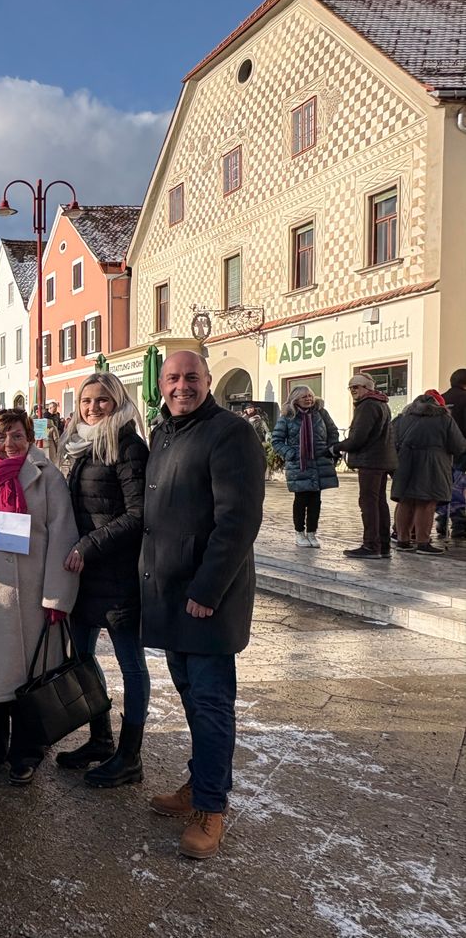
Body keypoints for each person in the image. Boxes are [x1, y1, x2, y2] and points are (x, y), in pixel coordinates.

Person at [142, 351, 264, 860]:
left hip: (206, 601)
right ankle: (201, 783)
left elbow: (237, 522)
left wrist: (206, 590)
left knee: (212, 704)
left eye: (191, 377)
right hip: (171, 596)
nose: (181, 386)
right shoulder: (163, 432)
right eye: (172, 378)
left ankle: (211, 808)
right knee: (193, 699)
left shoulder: (230, 432)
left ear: (208, 382)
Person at [0, 409, 79, 786]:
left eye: (16, 436)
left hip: (33, 597)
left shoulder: (49, 478)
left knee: (31, 682)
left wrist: (58, 598)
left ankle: (26, 753)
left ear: (29, 438)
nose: (8, 444)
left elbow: (63, 537)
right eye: (1, 437)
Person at [56, 373, 151, 788]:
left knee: (131, 665)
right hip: (85, 574)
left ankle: (130, 756)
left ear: (118, 402)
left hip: (117, 574)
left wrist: (87, 546)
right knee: (81, 659)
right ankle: (100, 737)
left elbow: (137, 514)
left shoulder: (128, 445)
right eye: (86, 401)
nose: (93, 408)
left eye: (102, 401)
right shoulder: (80, 445)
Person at [330, 374, 397, 559]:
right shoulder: (381, 403)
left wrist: (336, 447)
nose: (353, 391)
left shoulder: (368, 405)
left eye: (356, 387)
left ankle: (371, 546)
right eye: (350, 387)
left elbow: (358, 438)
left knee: (368, 503)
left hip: (371, 461)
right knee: (378, 502)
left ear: (368, 388)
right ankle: (383, 546)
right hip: (381, 460)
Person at [392, 391, 466, 555]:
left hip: (405, 463)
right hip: (433, 464)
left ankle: (402, 540)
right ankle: (423, 542)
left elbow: (392, 439)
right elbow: (459, 446)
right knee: (426, 502)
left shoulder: (403, 418)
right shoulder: (444, 419)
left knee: (406, 500)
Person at [270, 386, 340, 549]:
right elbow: (277, 440)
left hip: (319, 461)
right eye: (304, 397)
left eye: (310, 395)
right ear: (295, 400)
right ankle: (299, 533)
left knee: (316, 500)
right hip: (298, 464)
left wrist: (330, 449)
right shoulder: (287, 417)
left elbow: (333, 432)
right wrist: (290, 454)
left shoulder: (321, 413)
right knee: (301, 499)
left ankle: (312, 533)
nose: (309, 399)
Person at [435, 368, 466, 537]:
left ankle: (442, 517)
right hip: (462, 451)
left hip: (442, 451)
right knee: (460, 486)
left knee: (445, 484)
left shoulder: (441, 399)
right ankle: (459, 522)